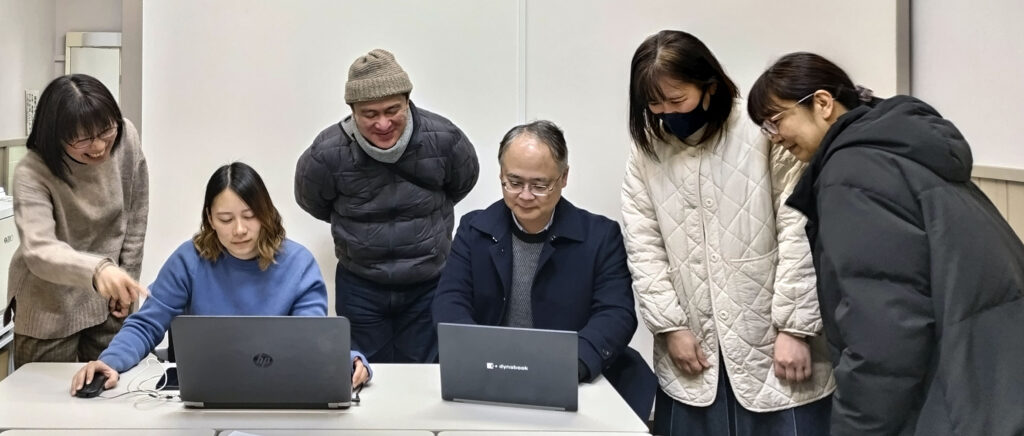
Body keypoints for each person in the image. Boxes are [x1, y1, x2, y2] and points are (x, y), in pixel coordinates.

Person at [747, 52, 1024, 436]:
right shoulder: (896, 147)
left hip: (954, 397)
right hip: (995, 375)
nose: (775, 137)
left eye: (776, 120)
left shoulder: (851, 174)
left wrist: (856, 427)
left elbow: (884, 333)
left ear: (823, 103)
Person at [620, 31, 834, 436]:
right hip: (692, 349)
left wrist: (795, 328)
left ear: (709, 86)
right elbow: (642, 243)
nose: (666, 113)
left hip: (776, 344)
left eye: (676, 99)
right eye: (654, 103)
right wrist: (670, 326)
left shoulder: (761, 130)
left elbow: (800, 228)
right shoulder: (646, 148)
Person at [70, 162, 370, 393]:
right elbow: (147, 324)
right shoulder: (189, 260)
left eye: (250, 216)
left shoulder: (298, 264)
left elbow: (311, 338)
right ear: (210, 219)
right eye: (226, 219)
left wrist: (349, 360)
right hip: (203, 393)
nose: (239, 229)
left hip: (276, 391)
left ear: (267, 214)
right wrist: (108, 362)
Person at [432, 120, 657, 420]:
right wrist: (476, 357)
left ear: (563, 178)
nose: (525, 195)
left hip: (572, 381)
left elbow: (615, 314)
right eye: (514, 182)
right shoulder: (474, 230)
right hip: (488, 379)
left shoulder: (600, 236)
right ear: (501, 175)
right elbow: (450, 302)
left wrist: (570, 365)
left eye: (539, 185)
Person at [295, 48, 479, 363]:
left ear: (408, 101)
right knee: (361, 374)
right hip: (360, 285)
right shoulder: (326, 153)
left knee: (426, 376)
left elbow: (463, 181)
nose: (383, 123)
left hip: (428, 284)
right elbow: (312, 200)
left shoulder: (445, 138)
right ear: (352, 111)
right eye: (370, 114)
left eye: (392, 110)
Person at [6, 74, 148, 368]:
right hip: (48, 302)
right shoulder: (32, 172)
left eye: (105, 131)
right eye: (82, 139)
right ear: (55, 135)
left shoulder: (125, 137)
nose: (98, 146)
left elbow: (135, 215)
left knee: (113, 385)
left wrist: (126, 277)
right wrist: (98, 270)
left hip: (108, 298)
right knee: (42, 393)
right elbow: (40, 250)